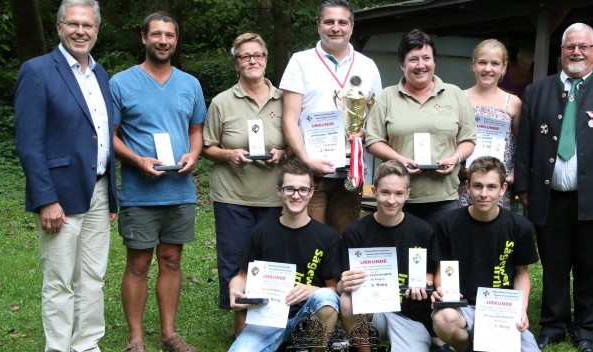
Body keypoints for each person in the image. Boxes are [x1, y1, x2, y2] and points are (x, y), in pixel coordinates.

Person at [14, 0, 128, 352]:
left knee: (93, 276)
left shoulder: (100, 73)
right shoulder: (37, 71)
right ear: (59, 27)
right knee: (60, 279)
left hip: (97, 190)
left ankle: (86, 347)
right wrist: (45, 198)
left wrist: (109, 196)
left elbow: (102, 136)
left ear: (97, 30)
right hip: (60, 195)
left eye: (88, 25)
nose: (81, 31)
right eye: (73, 24)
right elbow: (29, 143)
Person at [514, 23, 593, 352]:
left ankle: (584, 329)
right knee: (554, 264)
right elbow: (525, 146)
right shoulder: (537, 91)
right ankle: (553, 325)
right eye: (570, 46)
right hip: (550, 196)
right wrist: (523, 187)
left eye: (583, 46)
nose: (576, 52)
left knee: (592, 266)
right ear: (561, 51)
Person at [110, 12, 206, 352]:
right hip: (140, 191)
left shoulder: (190, 84)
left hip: (179, 190)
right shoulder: (121, 83)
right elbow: (110, 135)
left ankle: (169, 333)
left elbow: (196, 130)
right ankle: (136, 339)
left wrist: (193, 154)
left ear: (176, 40)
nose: (163, 41)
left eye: (169, 35)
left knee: (171, 259)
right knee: (138, 264)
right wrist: (137, 160)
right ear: (144, 38)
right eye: (156, 34)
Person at [225, 158, 341, 352]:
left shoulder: (327, 236)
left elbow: (334, 290)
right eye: (290, 189)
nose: (296, 195)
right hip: (267, 317)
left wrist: (312, 290)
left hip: (306, 318)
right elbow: (242, 276)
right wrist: (235, 291)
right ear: (279, 191)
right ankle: (281, 350)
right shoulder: (262, 231)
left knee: (326, 297)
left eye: (302, 189)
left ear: (311, 192)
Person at [431, 157, 546, 352]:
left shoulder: (519, 226)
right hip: (464, 308)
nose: (484, 194)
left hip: (501, 311)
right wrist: (442, 291)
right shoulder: (448, 223)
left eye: (491, 187)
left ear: (503, 188)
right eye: (478, 186)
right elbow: (442, 269)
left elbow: (522, 274)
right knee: (443, 318)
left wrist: (521, 309)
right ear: (467, 187)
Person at [202, 33, 289, 333]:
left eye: (258, 55)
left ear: (266, 59)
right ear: (236, 63)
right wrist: (229, 154)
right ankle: (239, 322)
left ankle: (269, 321)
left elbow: (295, 142)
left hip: (274, 195)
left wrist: (283, 153)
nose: (252, 60)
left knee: (269, 259)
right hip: (233, 194)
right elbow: (207, 146)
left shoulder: (284, 98)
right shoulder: (222, 101)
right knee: (234, 257)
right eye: (244, 56)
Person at [280, 0, 382, 234]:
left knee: (344, 235)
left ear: (352, 27)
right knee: (310, 237)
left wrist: (363, 133)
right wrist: (306, 160)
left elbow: (375, 119)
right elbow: (289, 119)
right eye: (329, 22)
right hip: (310, 171)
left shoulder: (368, 66)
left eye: (342, 22)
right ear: (318, 26)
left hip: (350, 170)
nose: (336, 28)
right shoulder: (300, 61)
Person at [338, 161, 436, 352]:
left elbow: (433, 275)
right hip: (373, 312)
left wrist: (426, 283)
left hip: (410, 316)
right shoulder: (355, 232)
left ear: (407, 194)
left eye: (398, 193)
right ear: (374, 191)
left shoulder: (423, 231)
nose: (391, 200)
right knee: (346, 300)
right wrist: (344, 284)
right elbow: (341, 283)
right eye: (385, 192)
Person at [365, 29, 476, 228]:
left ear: (434, 62)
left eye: (426, 58)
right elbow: (373, 140)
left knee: (441, 248)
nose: (420, 65)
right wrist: (399, 160)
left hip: (444, 197)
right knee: (401, 248)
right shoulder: (386, 97)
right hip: (397, 199)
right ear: (402, 64)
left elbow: (468, 139)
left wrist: (455, 158)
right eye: (413, 59)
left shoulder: (455, 94)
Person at [459, 39, 521, 209]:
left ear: (504, 67)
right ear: (473, 64)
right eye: (482, 62)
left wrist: (513, 174)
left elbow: (524, 146)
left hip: (498, 186)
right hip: (465, 183)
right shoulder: (459, 98)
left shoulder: (514, 102)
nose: (488, 69)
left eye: (495, 63)